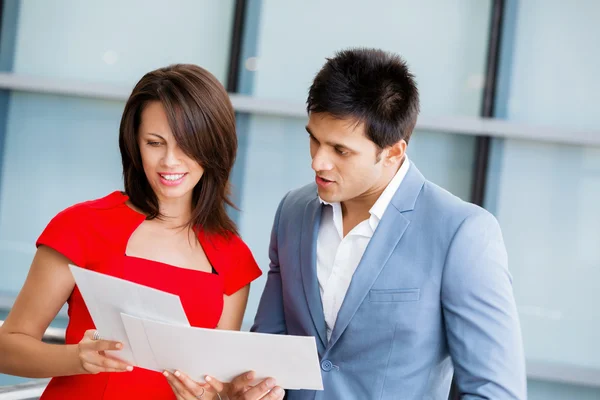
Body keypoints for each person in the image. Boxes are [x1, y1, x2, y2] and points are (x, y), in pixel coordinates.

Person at [171, 48, 527, 399]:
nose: (318, 163)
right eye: (314, 139)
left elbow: (496, 392)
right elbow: (269, 355)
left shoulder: (461, 232)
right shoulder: (294, 212)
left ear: (393, 152)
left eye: (341, 150)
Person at [0, 64, 262, 400]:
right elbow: (8, 347)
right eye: (155, 143)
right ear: (134, 143)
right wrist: (76, 358)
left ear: (214, 148)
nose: (170, 161)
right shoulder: (81, 226)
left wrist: (211, 396)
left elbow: (216, 384)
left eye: (187, 146)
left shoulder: (232, 256)